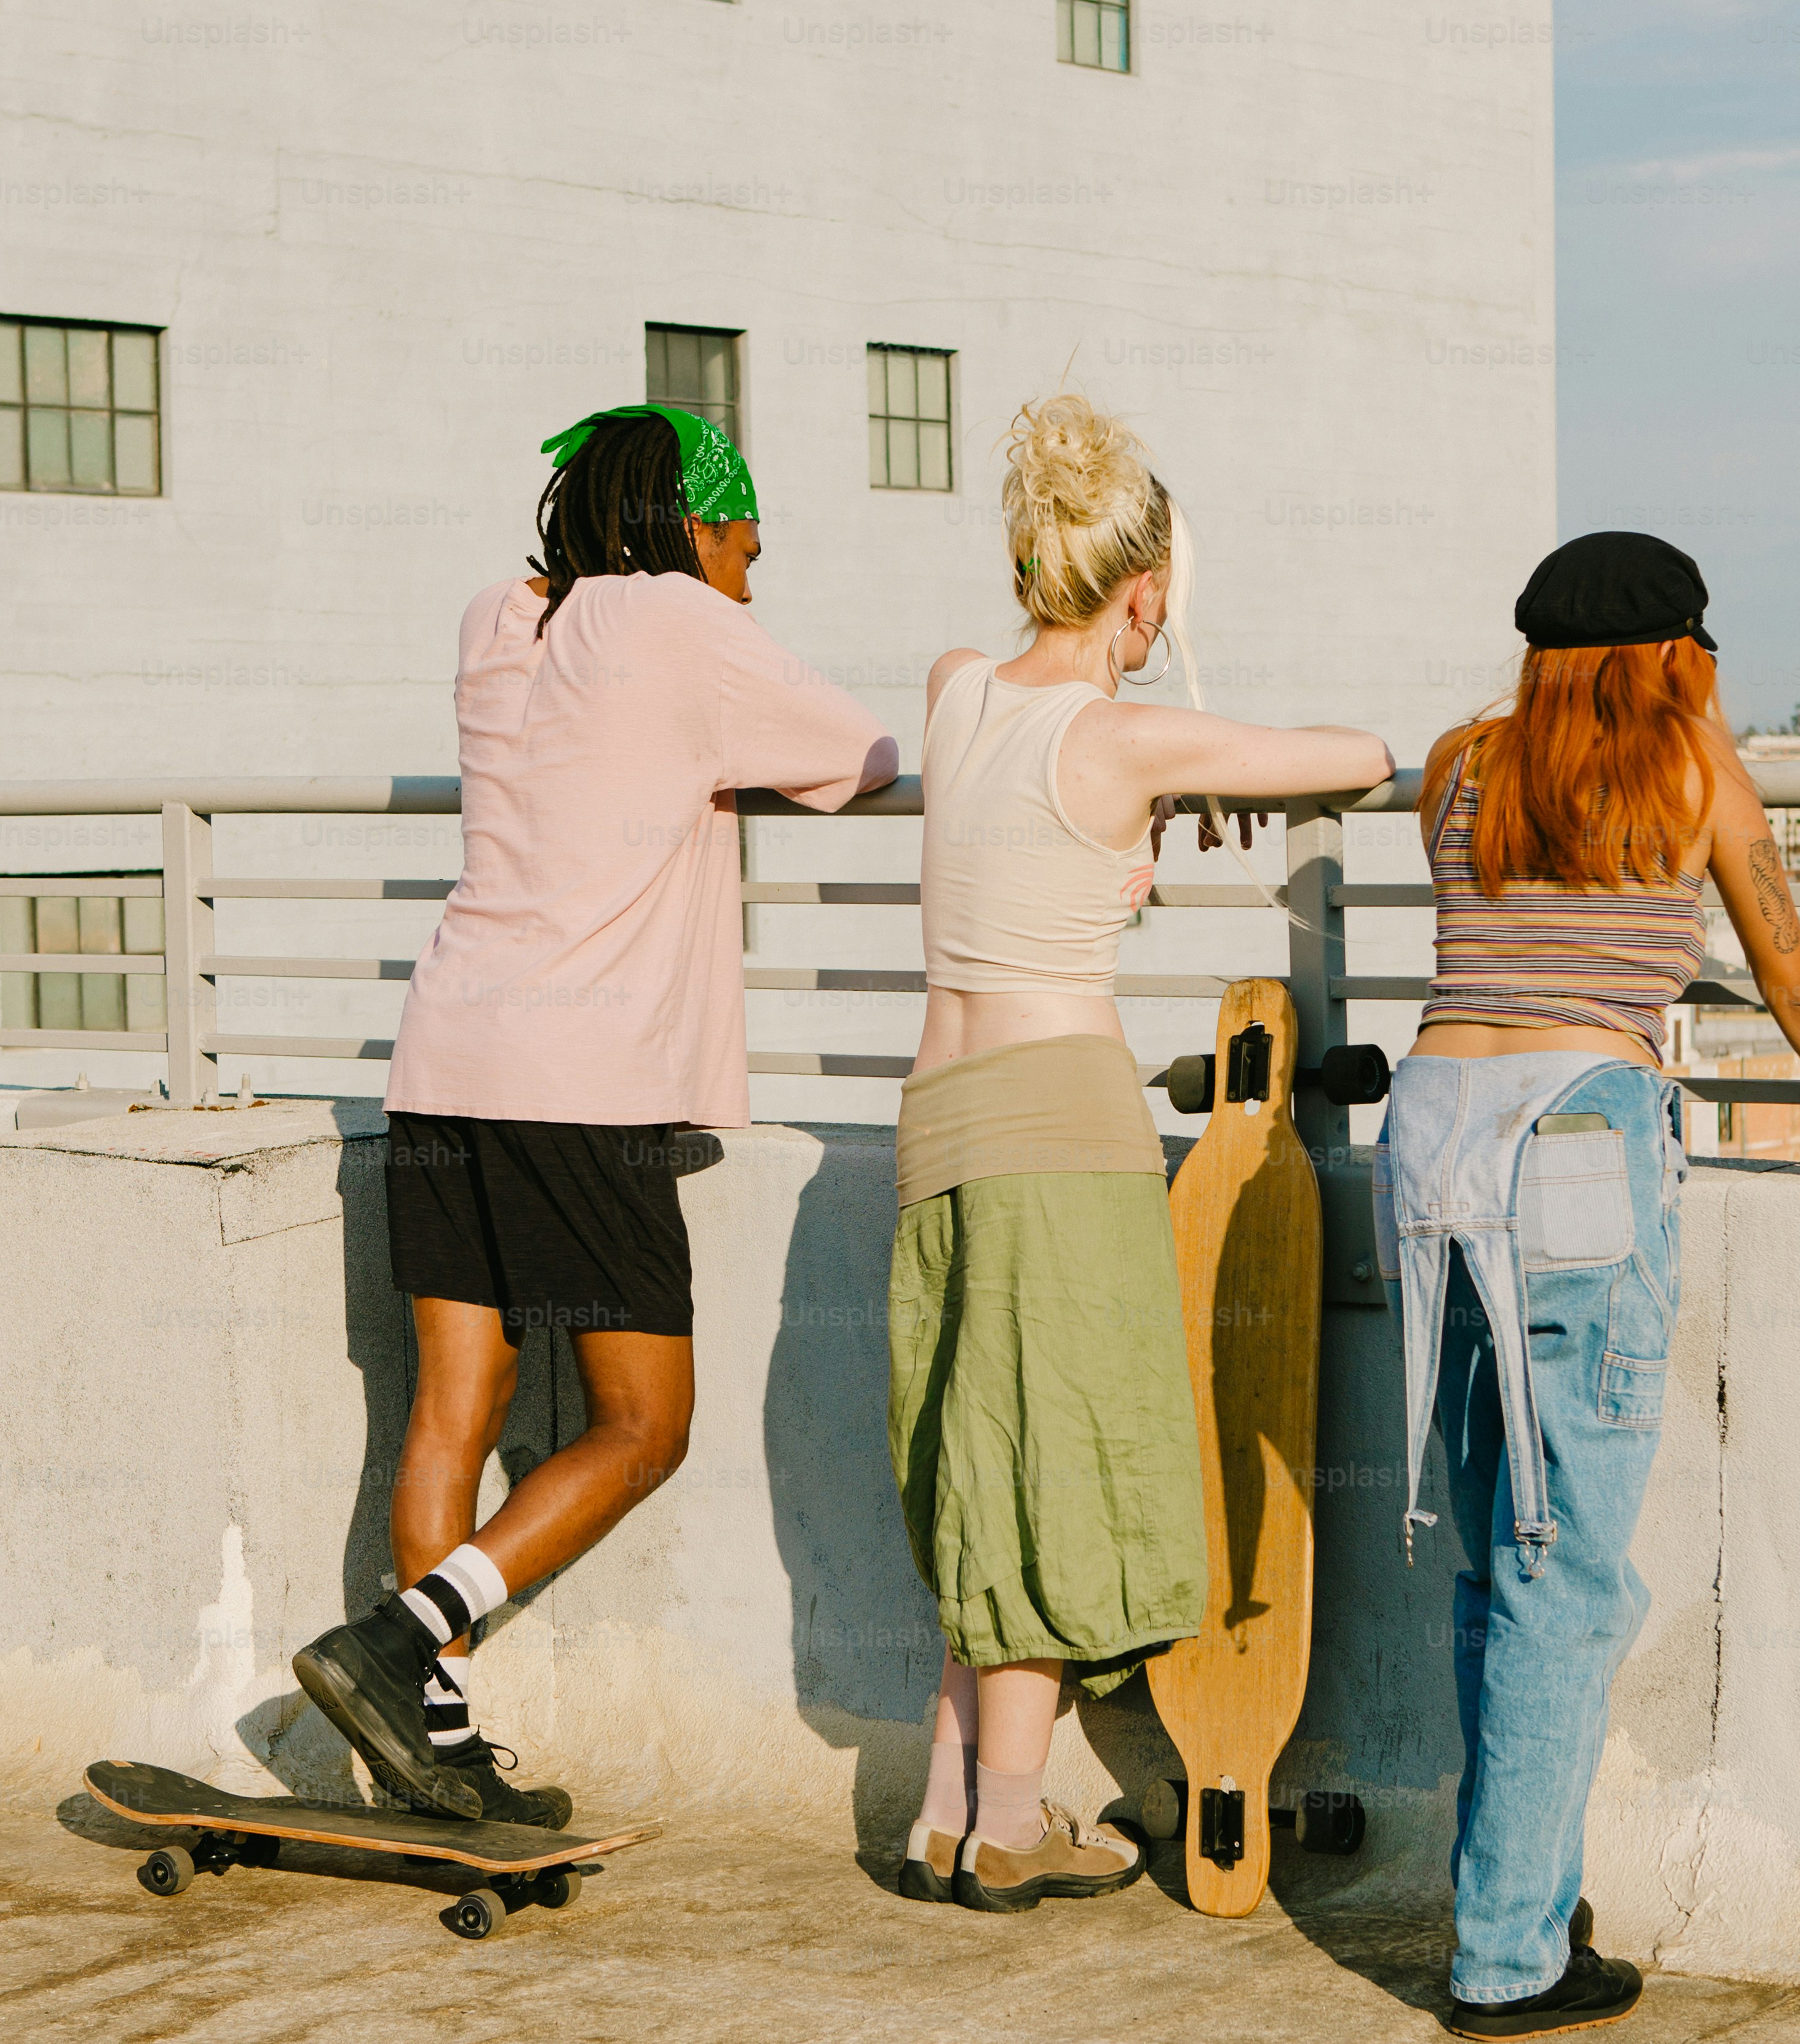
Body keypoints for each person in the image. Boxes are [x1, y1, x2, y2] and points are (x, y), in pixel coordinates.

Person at [1384, 531, 1800, 2038]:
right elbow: (1791, 972)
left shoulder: (1462, 766)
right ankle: (1507, 1953)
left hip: (1429, 1140)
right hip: (1576, 1147)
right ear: (1678, 652)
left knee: (1496, 1554)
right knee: (1569, 1566)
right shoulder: (1694, 769)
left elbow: (1503, 939)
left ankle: (1518, 1888)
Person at [290, 404, 898, 1824]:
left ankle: (421, 1741)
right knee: (645, 1425)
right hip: (583, 1080)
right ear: (695, 523)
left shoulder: (497, 616)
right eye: (749, 534)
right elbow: (861, 756)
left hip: (447, 1052)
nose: (759, 562)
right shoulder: (681, 622)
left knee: (456, 1401)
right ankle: (401, 1644)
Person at [889, 394, 1394, 1911]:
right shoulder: (1124, 734)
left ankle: (944, 1810)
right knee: (1060, 1460)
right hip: (1061, 1118)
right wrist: (1189, 751)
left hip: (940, 1123)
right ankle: (1009, 1825)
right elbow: (1358, 756)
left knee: (980, 1450)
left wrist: (1155, 786)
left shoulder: (956, 688)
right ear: (1146, 587)